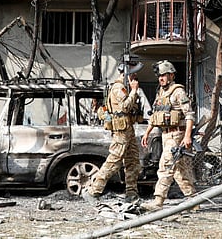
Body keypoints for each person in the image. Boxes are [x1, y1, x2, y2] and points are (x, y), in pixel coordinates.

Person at [83, 56, 144, 204]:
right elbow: (125, 107)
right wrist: (134, 91)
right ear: (126, 74)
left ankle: (131, 193)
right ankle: (93, 191)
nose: (135, 77)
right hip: (121, 132)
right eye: (133, 74)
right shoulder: (118, 88)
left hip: (128, 130)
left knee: (132, 162)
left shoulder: (124, 88)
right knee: (113, 162)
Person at [141, 60, 196, 212]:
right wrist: (147, 133)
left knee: (165, 167)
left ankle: (158, 201)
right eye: (159, 76)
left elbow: (190, 115)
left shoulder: (178, 92)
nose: (161, 79)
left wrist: (187, 136)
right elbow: (155, 115)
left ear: (171, 75)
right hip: (165, 135)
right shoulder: (161, 93)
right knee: (179, 170)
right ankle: (194, 201)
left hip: (176, 134)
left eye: (164, 75)